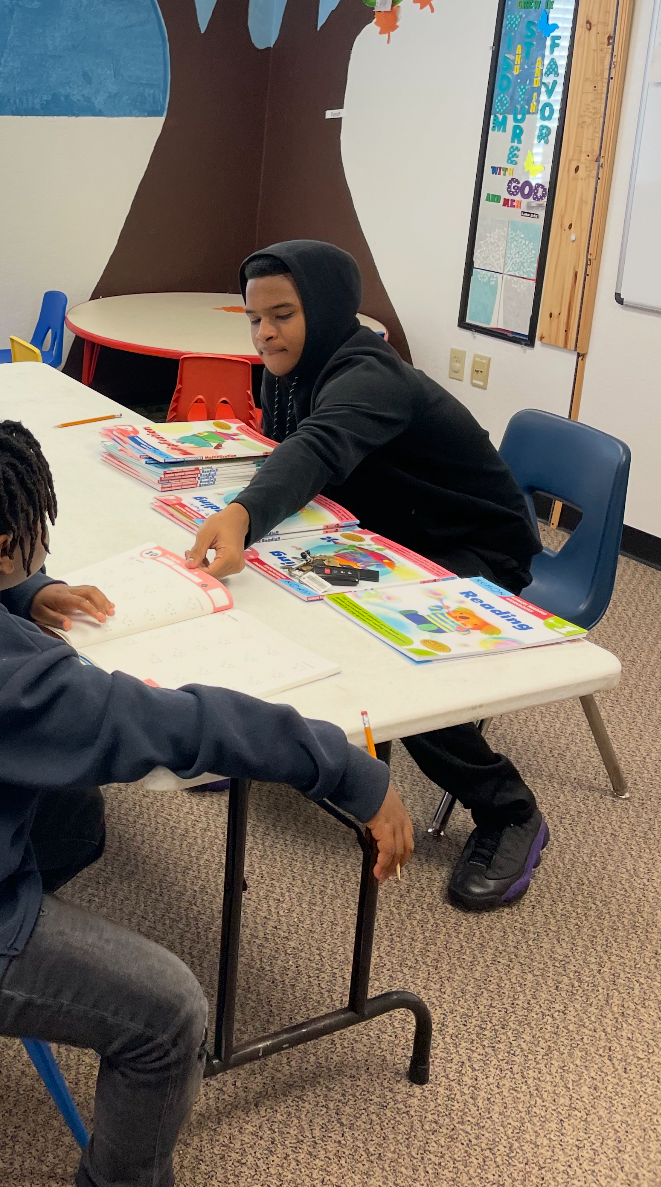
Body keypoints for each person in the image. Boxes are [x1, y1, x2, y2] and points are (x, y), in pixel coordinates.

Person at [0, 409, 413, 1187]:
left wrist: (28, 589)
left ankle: (5, 949)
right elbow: (173, 724)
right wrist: (348, 771)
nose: (42, 544)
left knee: (76, 812)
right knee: (170, 1012)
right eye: (32, 538)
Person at [184, 239, 549, 913]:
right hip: (388, 535)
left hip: (476, 549)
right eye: (255, 318)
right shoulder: (289, 369)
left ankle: (509, 810)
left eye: (283, 315)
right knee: (271, 594)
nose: (265, 333)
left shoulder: (370, 375)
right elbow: (297, 454)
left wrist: (243, 513)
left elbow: (318, 446)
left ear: (324, 309)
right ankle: (277, 743)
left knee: (398, 663)